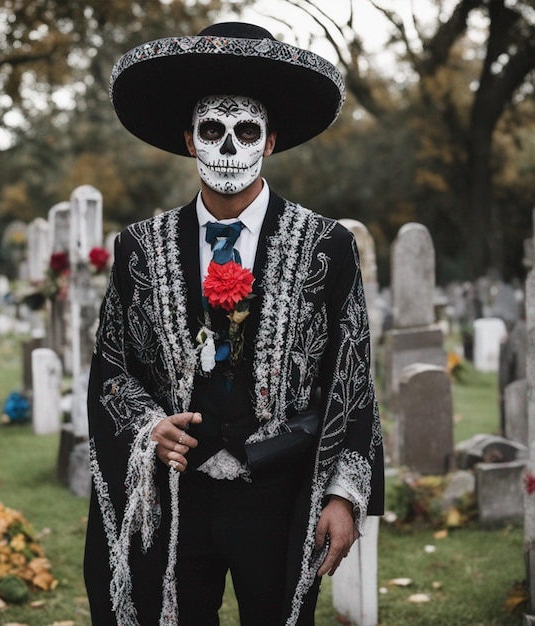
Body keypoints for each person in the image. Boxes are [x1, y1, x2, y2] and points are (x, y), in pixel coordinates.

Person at [84, 21, 384, 626]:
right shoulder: (140, 248)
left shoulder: (328, 245)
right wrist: (149, 428)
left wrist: (343, 495)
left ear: (270, 141)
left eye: (245, 131)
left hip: (279, 495)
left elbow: (351, 376)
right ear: (190, 141)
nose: (227, 147)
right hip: (177, 498)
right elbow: (113, 369)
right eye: (211, 131)